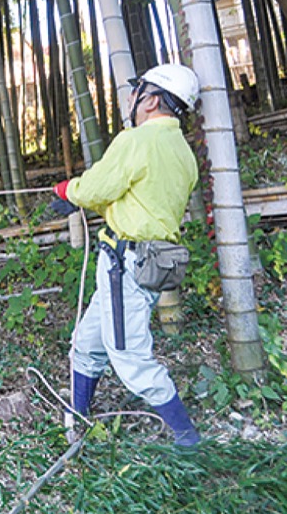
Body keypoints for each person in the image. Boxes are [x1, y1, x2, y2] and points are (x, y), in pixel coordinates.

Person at [52, 63, 203, 447]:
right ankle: (78, 420)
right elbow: (141, 203)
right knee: (86, 345)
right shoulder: (182, 152)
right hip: (150, 262)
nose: (131, 101)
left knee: (130, 358)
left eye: (137, 92)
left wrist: (68, 191)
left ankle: (188, 439)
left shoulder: (136, 140)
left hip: (126, 265)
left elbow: (98, 188)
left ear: (150, 100)